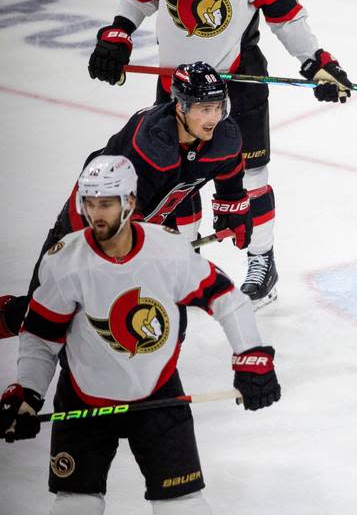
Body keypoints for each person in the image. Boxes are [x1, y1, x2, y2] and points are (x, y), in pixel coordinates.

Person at [85, 0, 353, 307]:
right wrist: (117, 34)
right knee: (174, 178)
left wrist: (316, 61)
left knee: (251, 173)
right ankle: (182, 265)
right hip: (175, 83)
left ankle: (262, 261)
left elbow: (285, 16)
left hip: (237, 77)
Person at [0, 155, 280, 515]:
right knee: (76, 503)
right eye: (89, 203)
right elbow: (41, 335)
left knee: (183, 505)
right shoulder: (65, 262)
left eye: (106, 203)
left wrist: (251, 356)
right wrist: (27, 392)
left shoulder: (166, 251)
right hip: (84, 398)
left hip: (158, 393)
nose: (95, 214)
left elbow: (224, 297)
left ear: (130, 201)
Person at [0, 62, 251, 340]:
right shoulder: (152, 145)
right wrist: (145, 253)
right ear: (180, 106)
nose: (215, 117)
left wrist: (233, 206)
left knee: (163, 319)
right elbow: (116, 216)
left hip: (145, 221)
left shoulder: (224, 138)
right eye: (205, 109)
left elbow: (228, 169)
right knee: (44, 319)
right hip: (89, 222)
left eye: (219, 107)